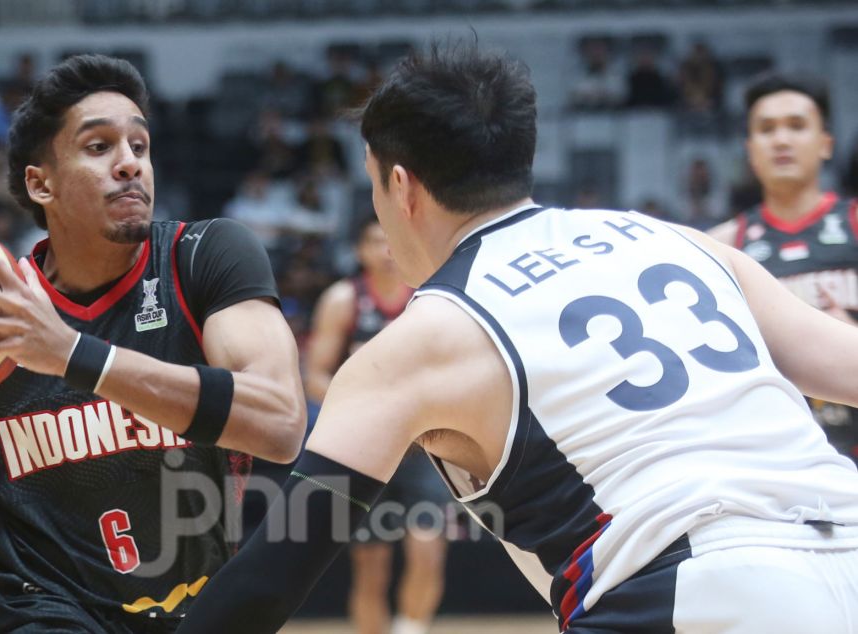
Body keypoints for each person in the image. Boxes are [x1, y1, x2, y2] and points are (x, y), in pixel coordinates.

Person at [177, 44, 858, 634]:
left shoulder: (420, 338)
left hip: (696, 591)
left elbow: (270, 578)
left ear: (400, 186)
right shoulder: (677, 240)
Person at [0, 54, 306, 633]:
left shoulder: (203, 257)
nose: (130, 164)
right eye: (99, 147)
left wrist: (72, 355)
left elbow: (282, 422)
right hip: (39, 606)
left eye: (140, 145)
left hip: (188, 609)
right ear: (41, 183)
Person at [304, 215, 448, 634]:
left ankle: (410, 629)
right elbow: (314, 375)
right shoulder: (343, 300)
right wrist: (367, 414)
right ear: (359, 251)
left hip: (423, 449)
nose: (385, 249)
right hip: (366, 451)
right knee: (371, 567)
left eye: (391, 240)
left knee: (429, 554)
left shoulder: (429, 298)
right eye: (373, 240)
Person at [709, 72, 858, 463]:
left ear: (826, 143)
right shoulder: (720, 244)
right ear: (750, 148)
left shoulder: (854, 221)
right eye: (766, 129)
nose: (781, 139)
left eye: (796, 126)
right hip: (776, 458)